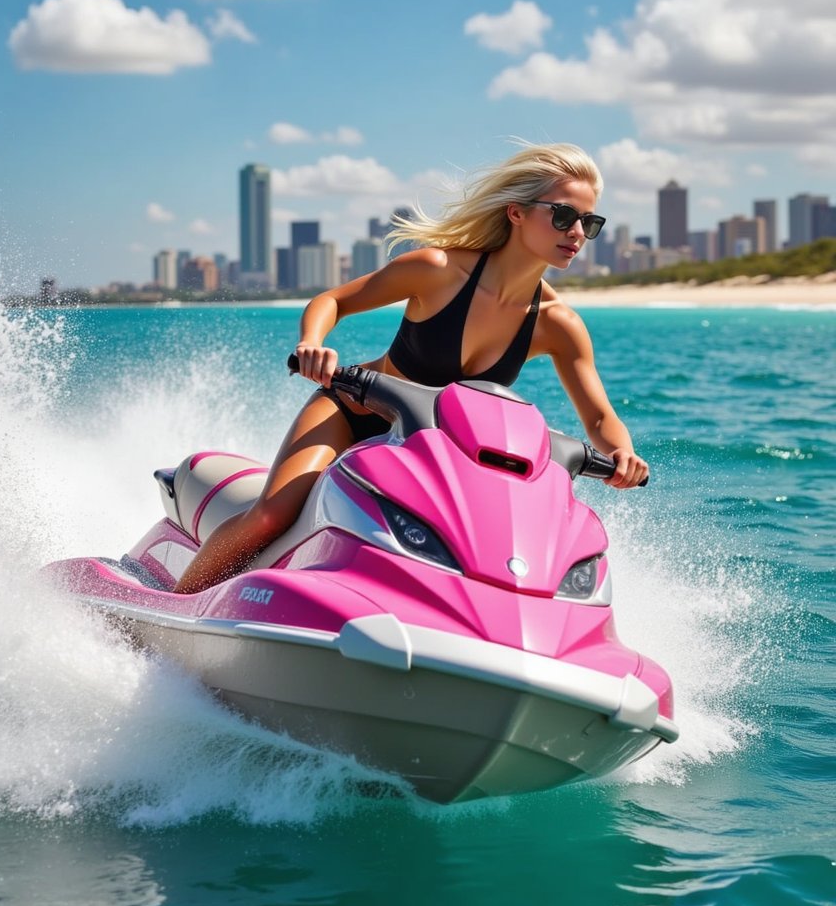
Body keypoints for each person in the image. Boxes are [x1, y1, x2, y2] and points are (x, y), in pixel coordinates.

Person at [174, 141, 648, 594]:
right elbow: (333, 301)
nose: (577, 233)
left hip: (438, 457)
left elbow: (600, 418)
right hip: (355, 417)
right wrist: (313, 343)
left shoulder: (558, 324)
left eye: (590, 222)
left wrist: (622, 454)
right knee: (272, 514)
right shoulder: (438, 270)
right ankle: (177, 606)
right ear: (517, 212)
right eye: (564, 215)